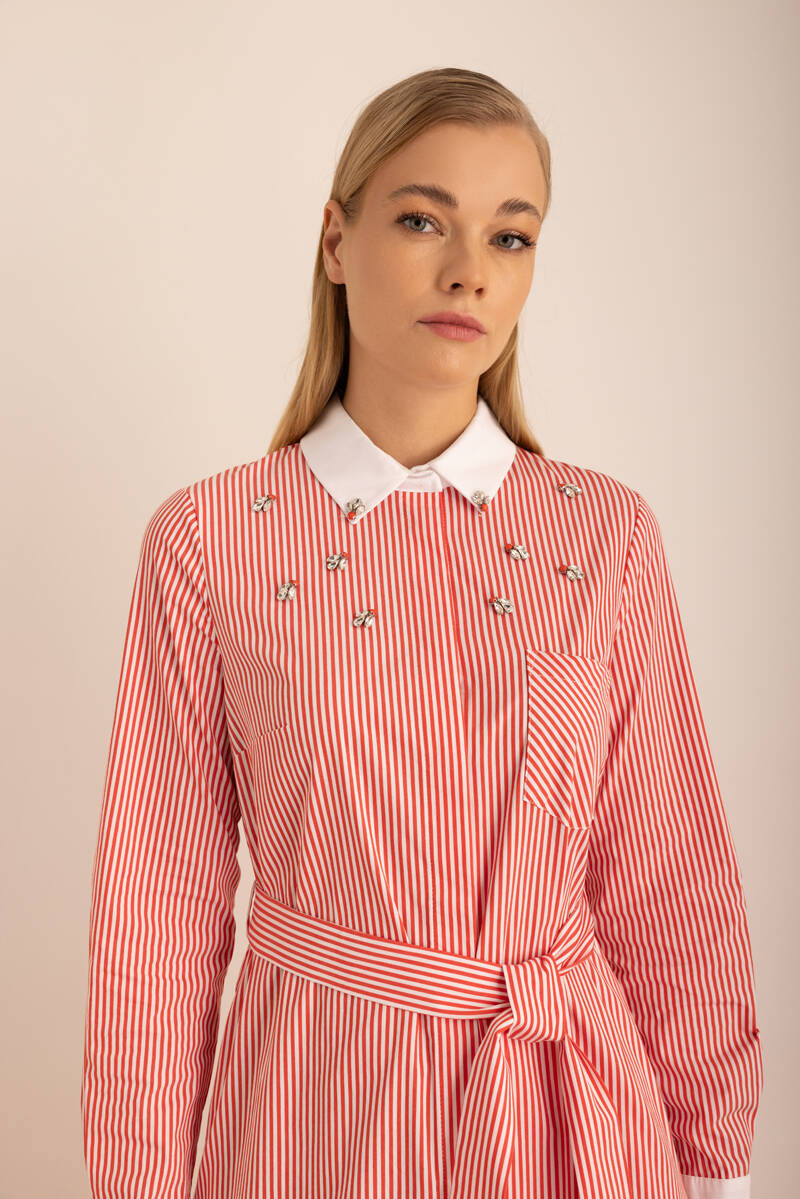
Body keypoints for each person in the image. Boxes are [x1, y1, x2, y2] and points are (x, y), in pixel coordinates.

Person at [81, 67, 763, 1199]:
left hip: (571, 1122)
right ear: (335, 241)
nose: (468, 272)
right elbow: (156, 913)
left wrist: (714, 1162)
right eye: (420, 220)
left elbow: (667, 872)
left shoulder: (602, 535)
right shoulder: (211, 541)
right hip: (314, 1114)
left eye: (510, 236)